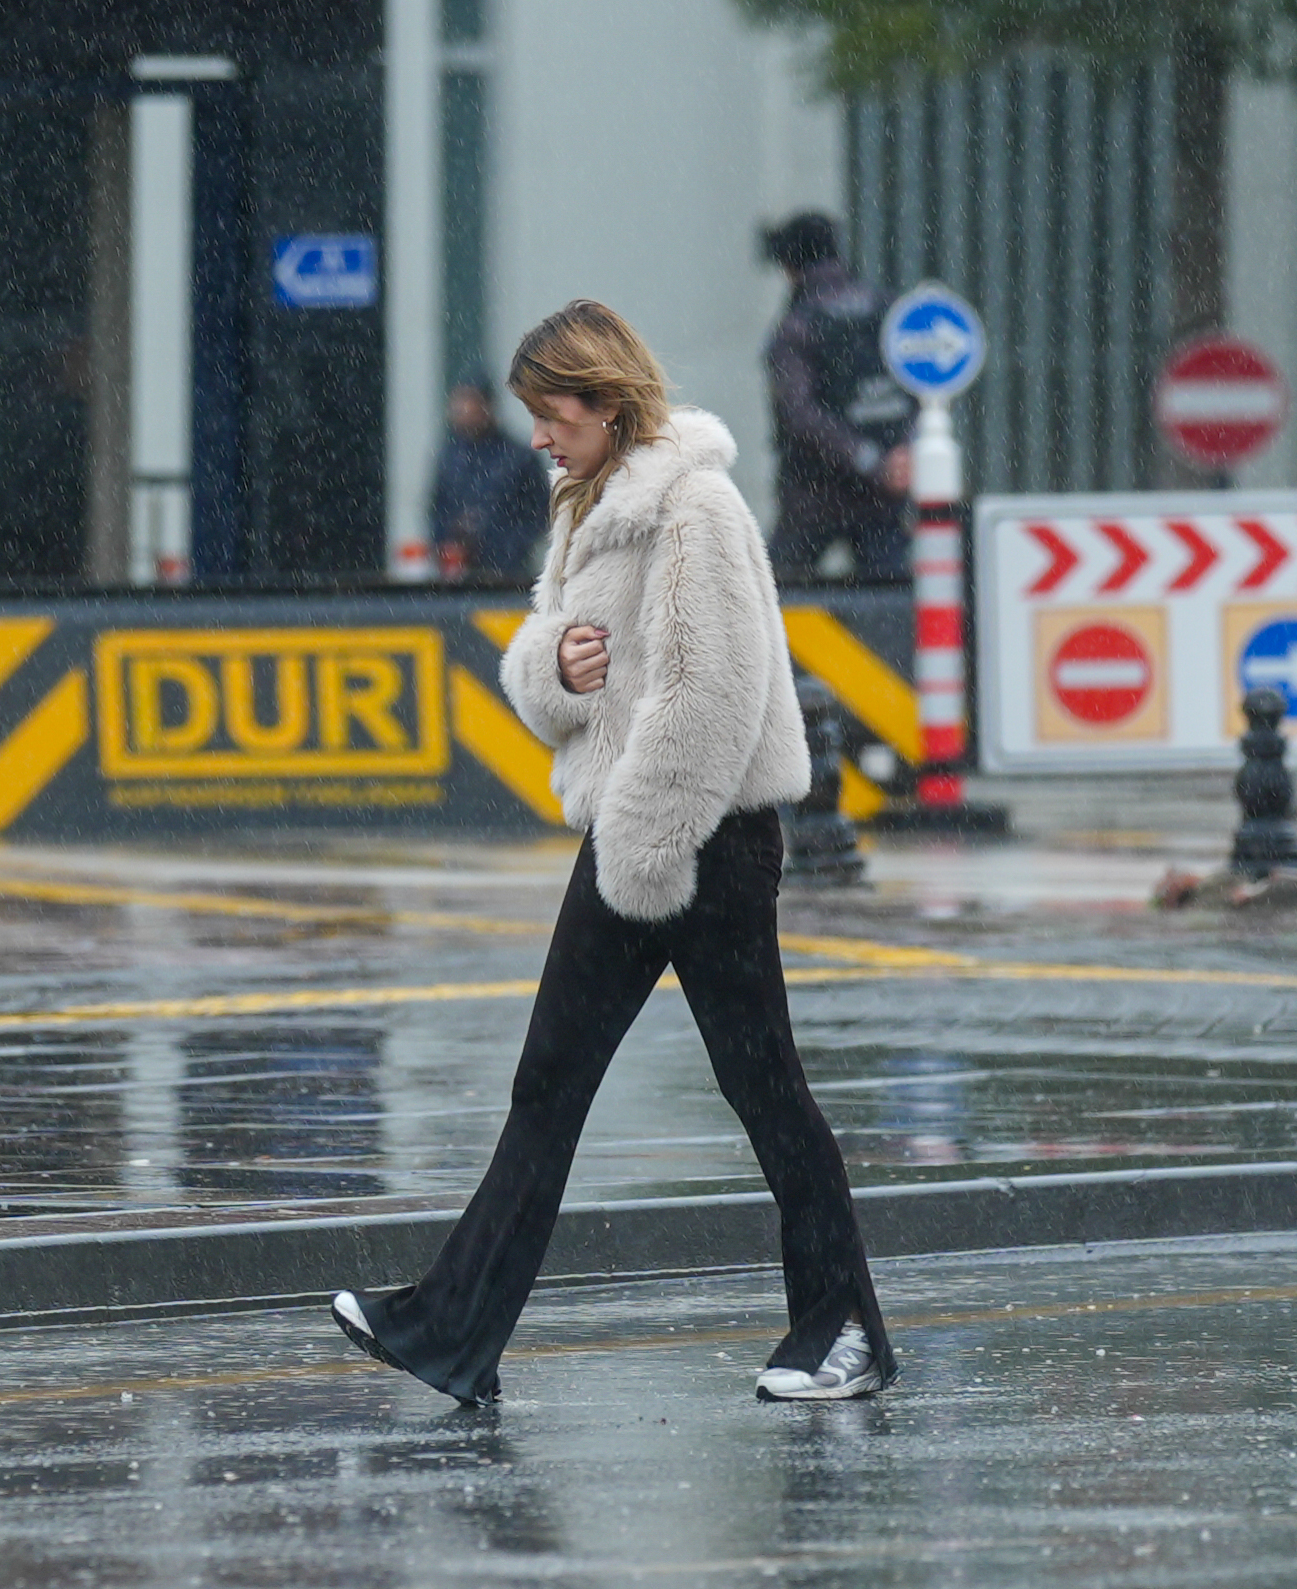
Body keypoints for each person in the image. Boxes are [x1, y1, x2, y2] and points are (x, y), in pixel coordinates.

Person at [332, 300, 894, 1407]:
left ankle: (845, 1332)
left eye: (552, 413)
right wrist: (557, 666)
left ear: (606, 398)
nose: (538, 436)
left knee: (759, 1087)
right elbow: (559, 662)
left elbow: (714, 695)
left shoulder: (693, 507)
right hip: (643, 835)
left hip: (701, 839)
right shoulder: (590, 502)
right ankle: (451, 1332)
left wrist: (639, 850)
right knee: (557, 1079)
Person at [762, 212, 914, 583]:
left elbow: (799, 415)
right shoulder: (889, 309)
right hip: (884, 496)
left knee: (770, 592)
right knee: (893, 594)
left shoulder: (798, 326)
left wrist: (868, 460)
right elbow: (926, 389)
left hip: (815, 492)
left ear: (789, 266)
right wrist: (901, 456)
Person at [430, 371, 551, 580]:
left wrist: (504, 543)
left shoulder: (518, 457)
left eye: (471, 401)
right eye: (460, 402)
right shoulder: (449, 457)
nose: (464, 410)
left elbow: (539, 513)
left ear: (487, 405)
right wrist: (448, 540)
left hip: (508, 574)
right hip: (457, 573)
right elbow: (437, 509)